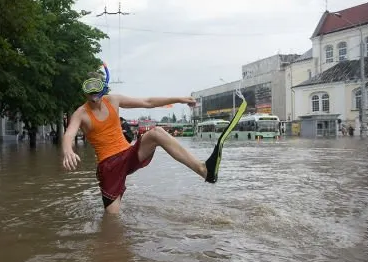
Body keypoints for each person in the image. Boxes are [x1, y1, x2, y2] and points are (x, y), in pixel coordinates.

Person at [62, 72, 244, 213]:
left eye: (97, 91)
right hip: (108, 166)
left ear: (103, 89)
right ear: (85, 93)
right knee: (112, 221)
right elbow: (69, 134)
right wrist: (68, 151)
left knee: (157, 133)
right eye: (90, 92)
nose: (94, 97)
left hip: (128, 154)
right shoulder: (81, 113)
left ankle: (204, 171)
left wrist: (179, 99)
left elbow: (147, 102)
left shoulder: (113, 100)